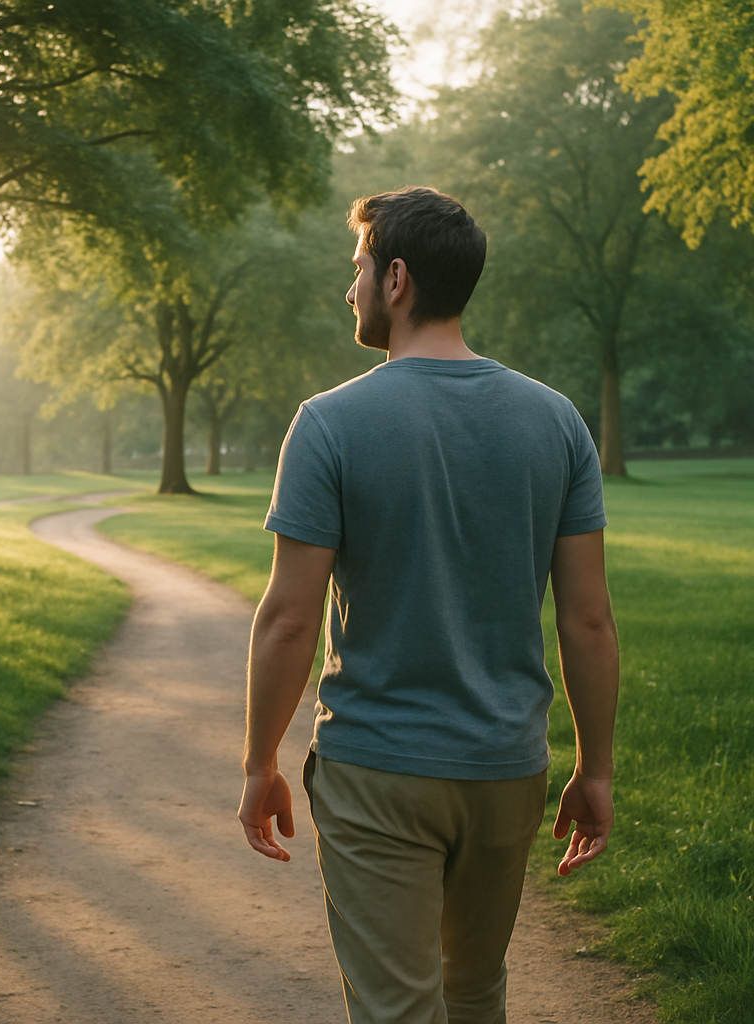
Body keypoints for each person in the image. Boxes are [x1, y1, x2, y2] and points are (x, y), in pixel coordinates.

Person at [238, 186, 619, 1024]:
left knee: (397, 1008)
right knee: (475, 990)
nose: (351, 289)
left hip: (378, 769)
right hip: (505, 768)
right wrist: (595, 770)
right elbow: (588, 620)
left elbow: (289, 619)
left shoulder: (329, 424)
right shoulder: (556, 422)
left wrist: (261, 763)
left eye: (359, 269)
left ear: (397, 279)